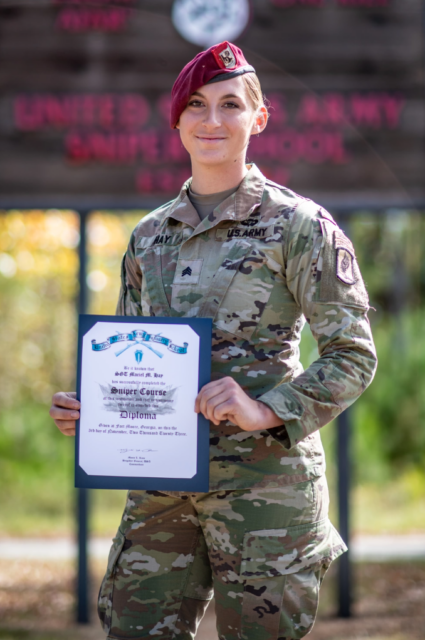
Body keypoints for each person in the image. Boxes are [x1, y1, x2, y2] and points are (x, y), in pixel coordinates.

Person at [50, 41, 377, 640]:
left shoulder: (300, 226)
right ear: (176, 120)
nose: (212, 120)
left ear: (259, 117)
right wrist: (94, 408)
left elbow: (353, 354)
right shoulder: (149, 237)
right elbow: (133, 353)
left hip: (265, 492)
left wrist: (264, 409)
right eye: (196, 105)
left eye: (230, 105)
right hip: (160, 489)